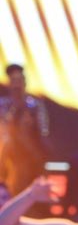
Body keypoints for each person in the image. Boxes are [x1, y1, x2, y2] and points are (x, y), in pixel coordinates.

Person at [0, 63, 50, 194]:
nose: (17, 86)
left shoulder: (35, 107)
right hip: (7, 162)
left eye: (19, 80)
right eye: (13, 81)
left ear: (25, 83)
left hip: (30, 163)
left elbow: (44, 136)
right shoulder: (3, 107)